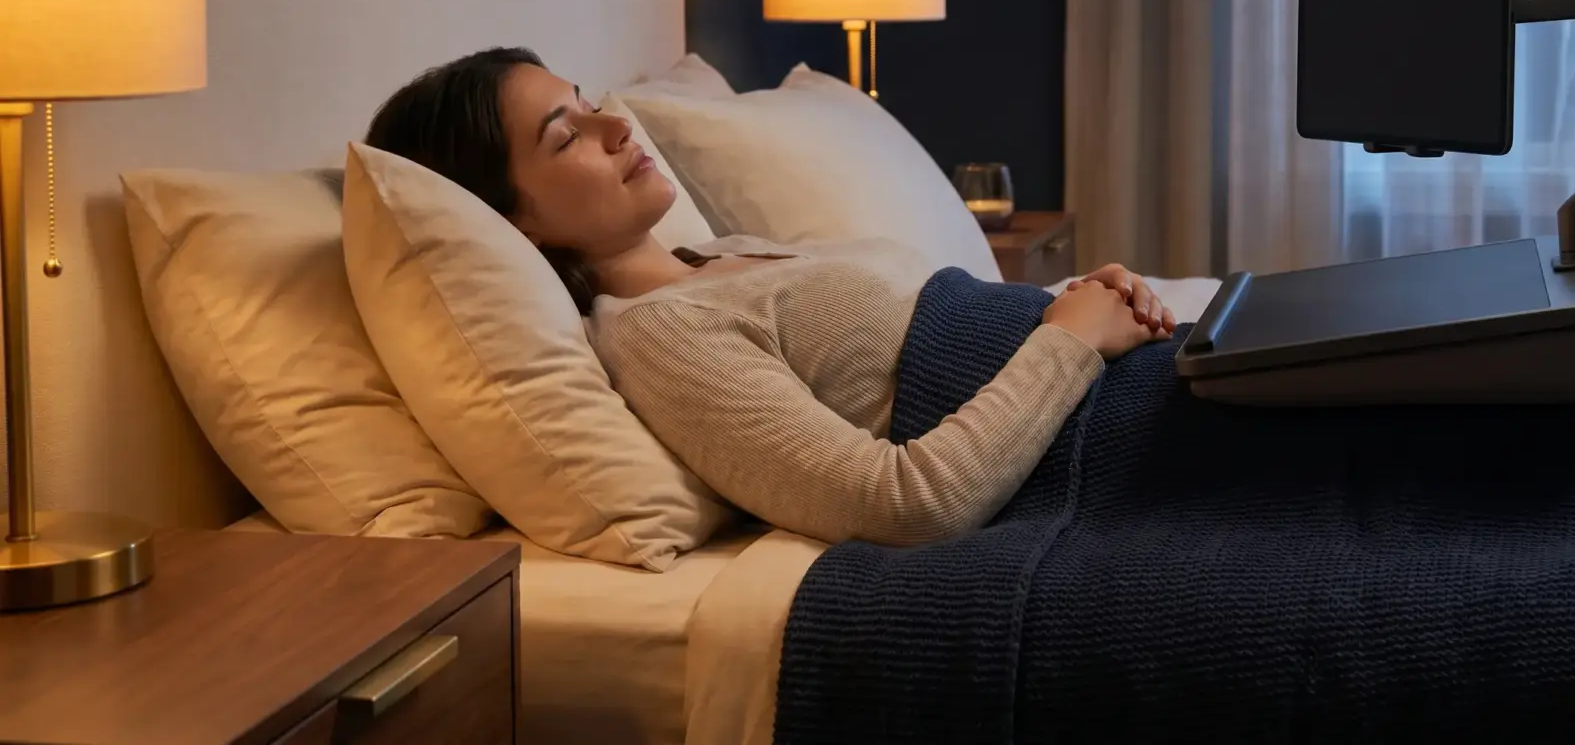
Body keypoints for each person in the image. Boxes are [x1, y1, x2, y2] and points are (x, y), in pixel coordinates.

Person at [365, 47, 1176, 547]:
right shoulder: (659, 337)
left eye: (585, 101)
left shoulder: (715, 257)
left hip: (1128, 388)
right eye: (564, 135)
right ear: (512, 224)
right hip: (1116, 456)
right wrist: (1066, 343)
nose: (613, 125)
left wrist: (1073, 307)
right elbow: (903, 503)